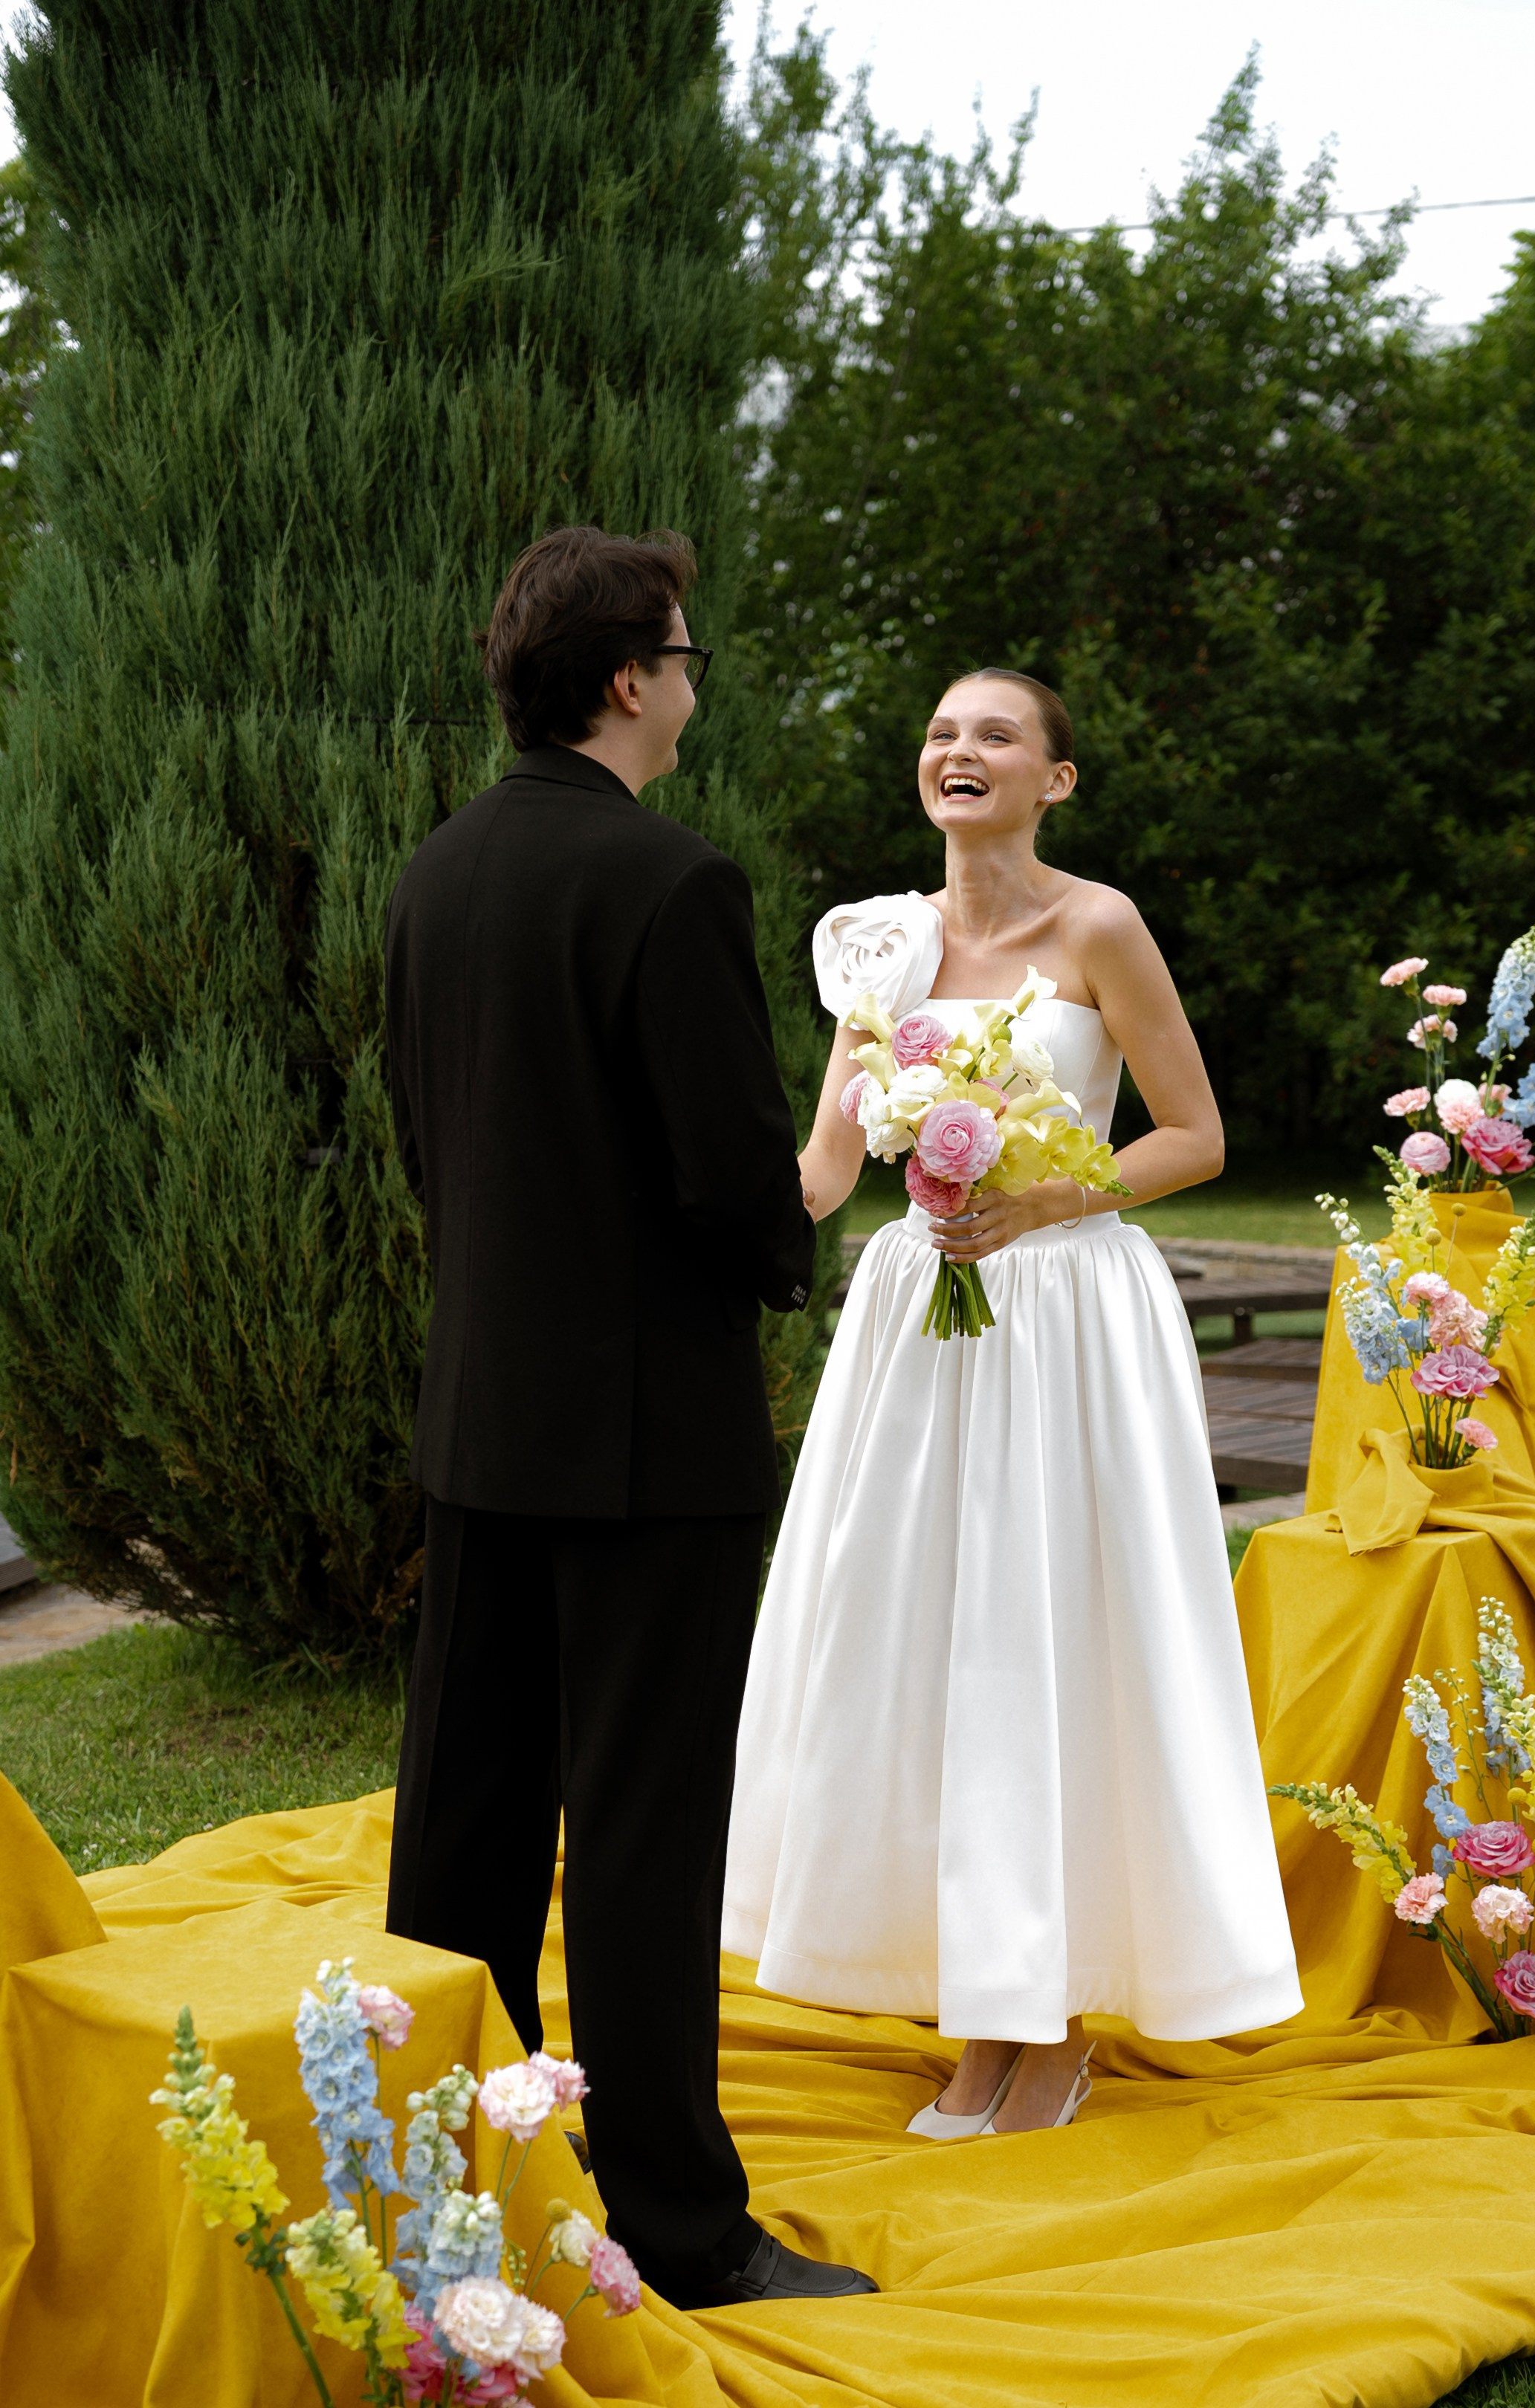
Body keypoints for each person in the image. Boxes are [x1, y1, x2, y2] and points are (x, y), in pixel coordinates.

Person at [383, 525, 876, 2307]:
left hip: (484, 1421)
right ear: (623, 679)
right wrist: (827, 1158)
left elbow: (430, 1148)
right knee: (647, 1835)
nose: (688, 684)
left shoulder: (436, 874)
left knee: (464, 1823)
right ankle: (675, 2229)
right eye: (682, 655)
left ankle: (433, 2175)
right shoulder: (675, 886)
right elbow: (738, 1203)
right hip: (653, 1447)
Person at [723, 668, 1302, 2135]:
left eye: (995, 734)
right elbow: (827, 1172)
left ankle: (1046, 2023)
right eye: (940, 732)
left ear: (1056, 779)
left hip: (1067, 1314)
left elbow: (1195, 1135)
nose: (958, 750)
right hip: (919, 1323)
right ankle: (971, 1998)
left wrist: (1040, 1200)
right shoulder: (875, 947)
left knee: (1050, 1638)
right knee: (919, 1639)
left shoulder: (1097, 925)